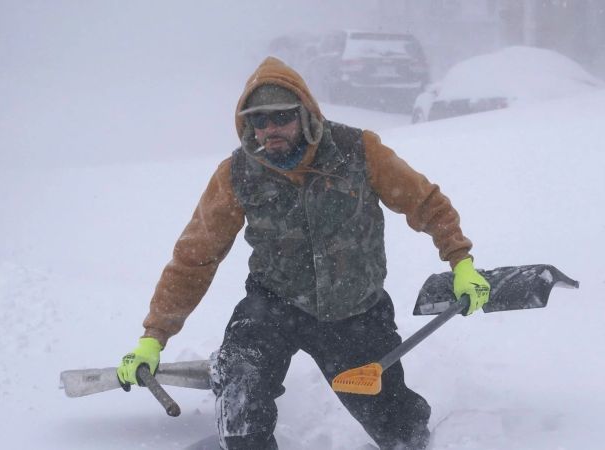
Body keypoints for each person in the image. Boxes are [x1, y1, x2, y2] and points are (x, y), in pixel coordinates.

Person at [115, 57, 491, 450]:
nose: (271, 129)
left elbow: (426, 203)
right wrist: (153, 337)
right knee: (241, 395)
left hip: (354, 310)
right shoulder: (237, 173)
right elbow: (195, 257)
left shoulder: (358, 151)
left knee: (399, 431)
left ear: (306, 114)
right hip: (273, 304)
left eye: (282, 117)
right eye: (260, 120)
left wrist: (460, 261)